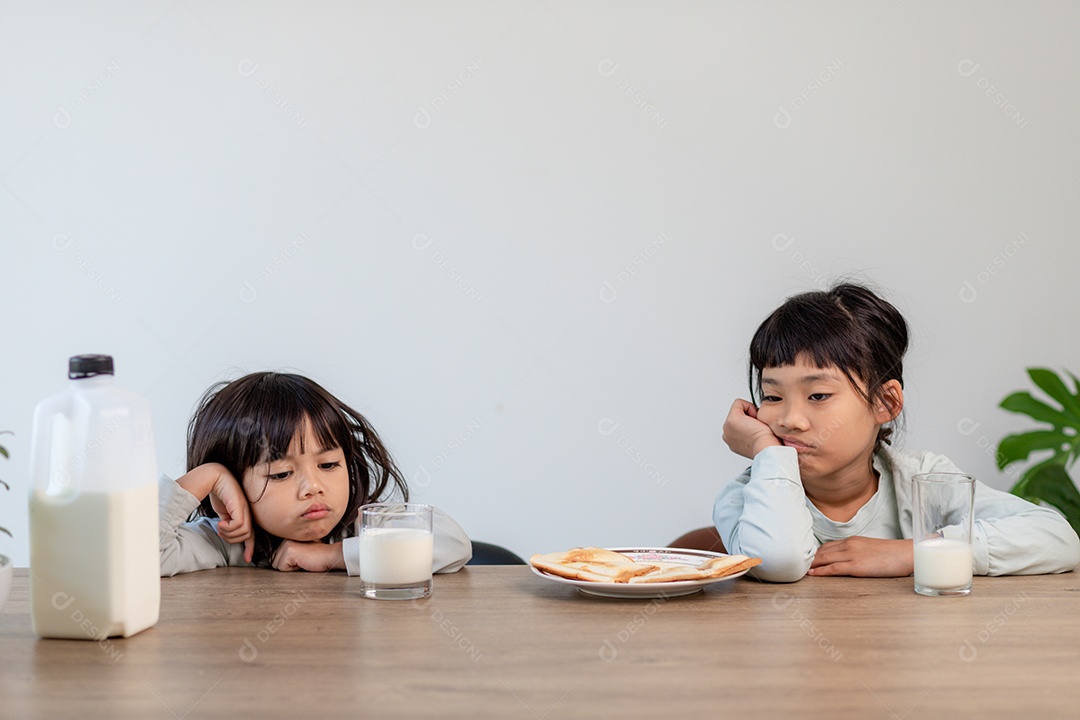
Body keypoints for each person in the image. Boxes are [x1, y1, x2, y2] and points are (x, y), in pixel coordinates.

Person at [712, 282, 1080, 582]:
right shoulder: (745, 497)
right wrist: (767, 452)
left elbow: (1058, 538)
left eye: (818, 395)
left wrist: (915, 552)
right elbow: (781, 562)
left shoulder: (921, 483)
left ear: (884, 403)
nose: (789, 419)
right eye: (772, 396)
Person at [159, 372, 471, 576]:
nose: (313, 487)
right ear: (234, 488)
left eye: (328, 465)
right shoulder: (223, 542)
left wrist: (331, 555)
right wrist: (208, 476)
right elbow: (132, 559)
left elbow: (453, 544)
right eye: (281, 474)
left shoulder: (364, 525)